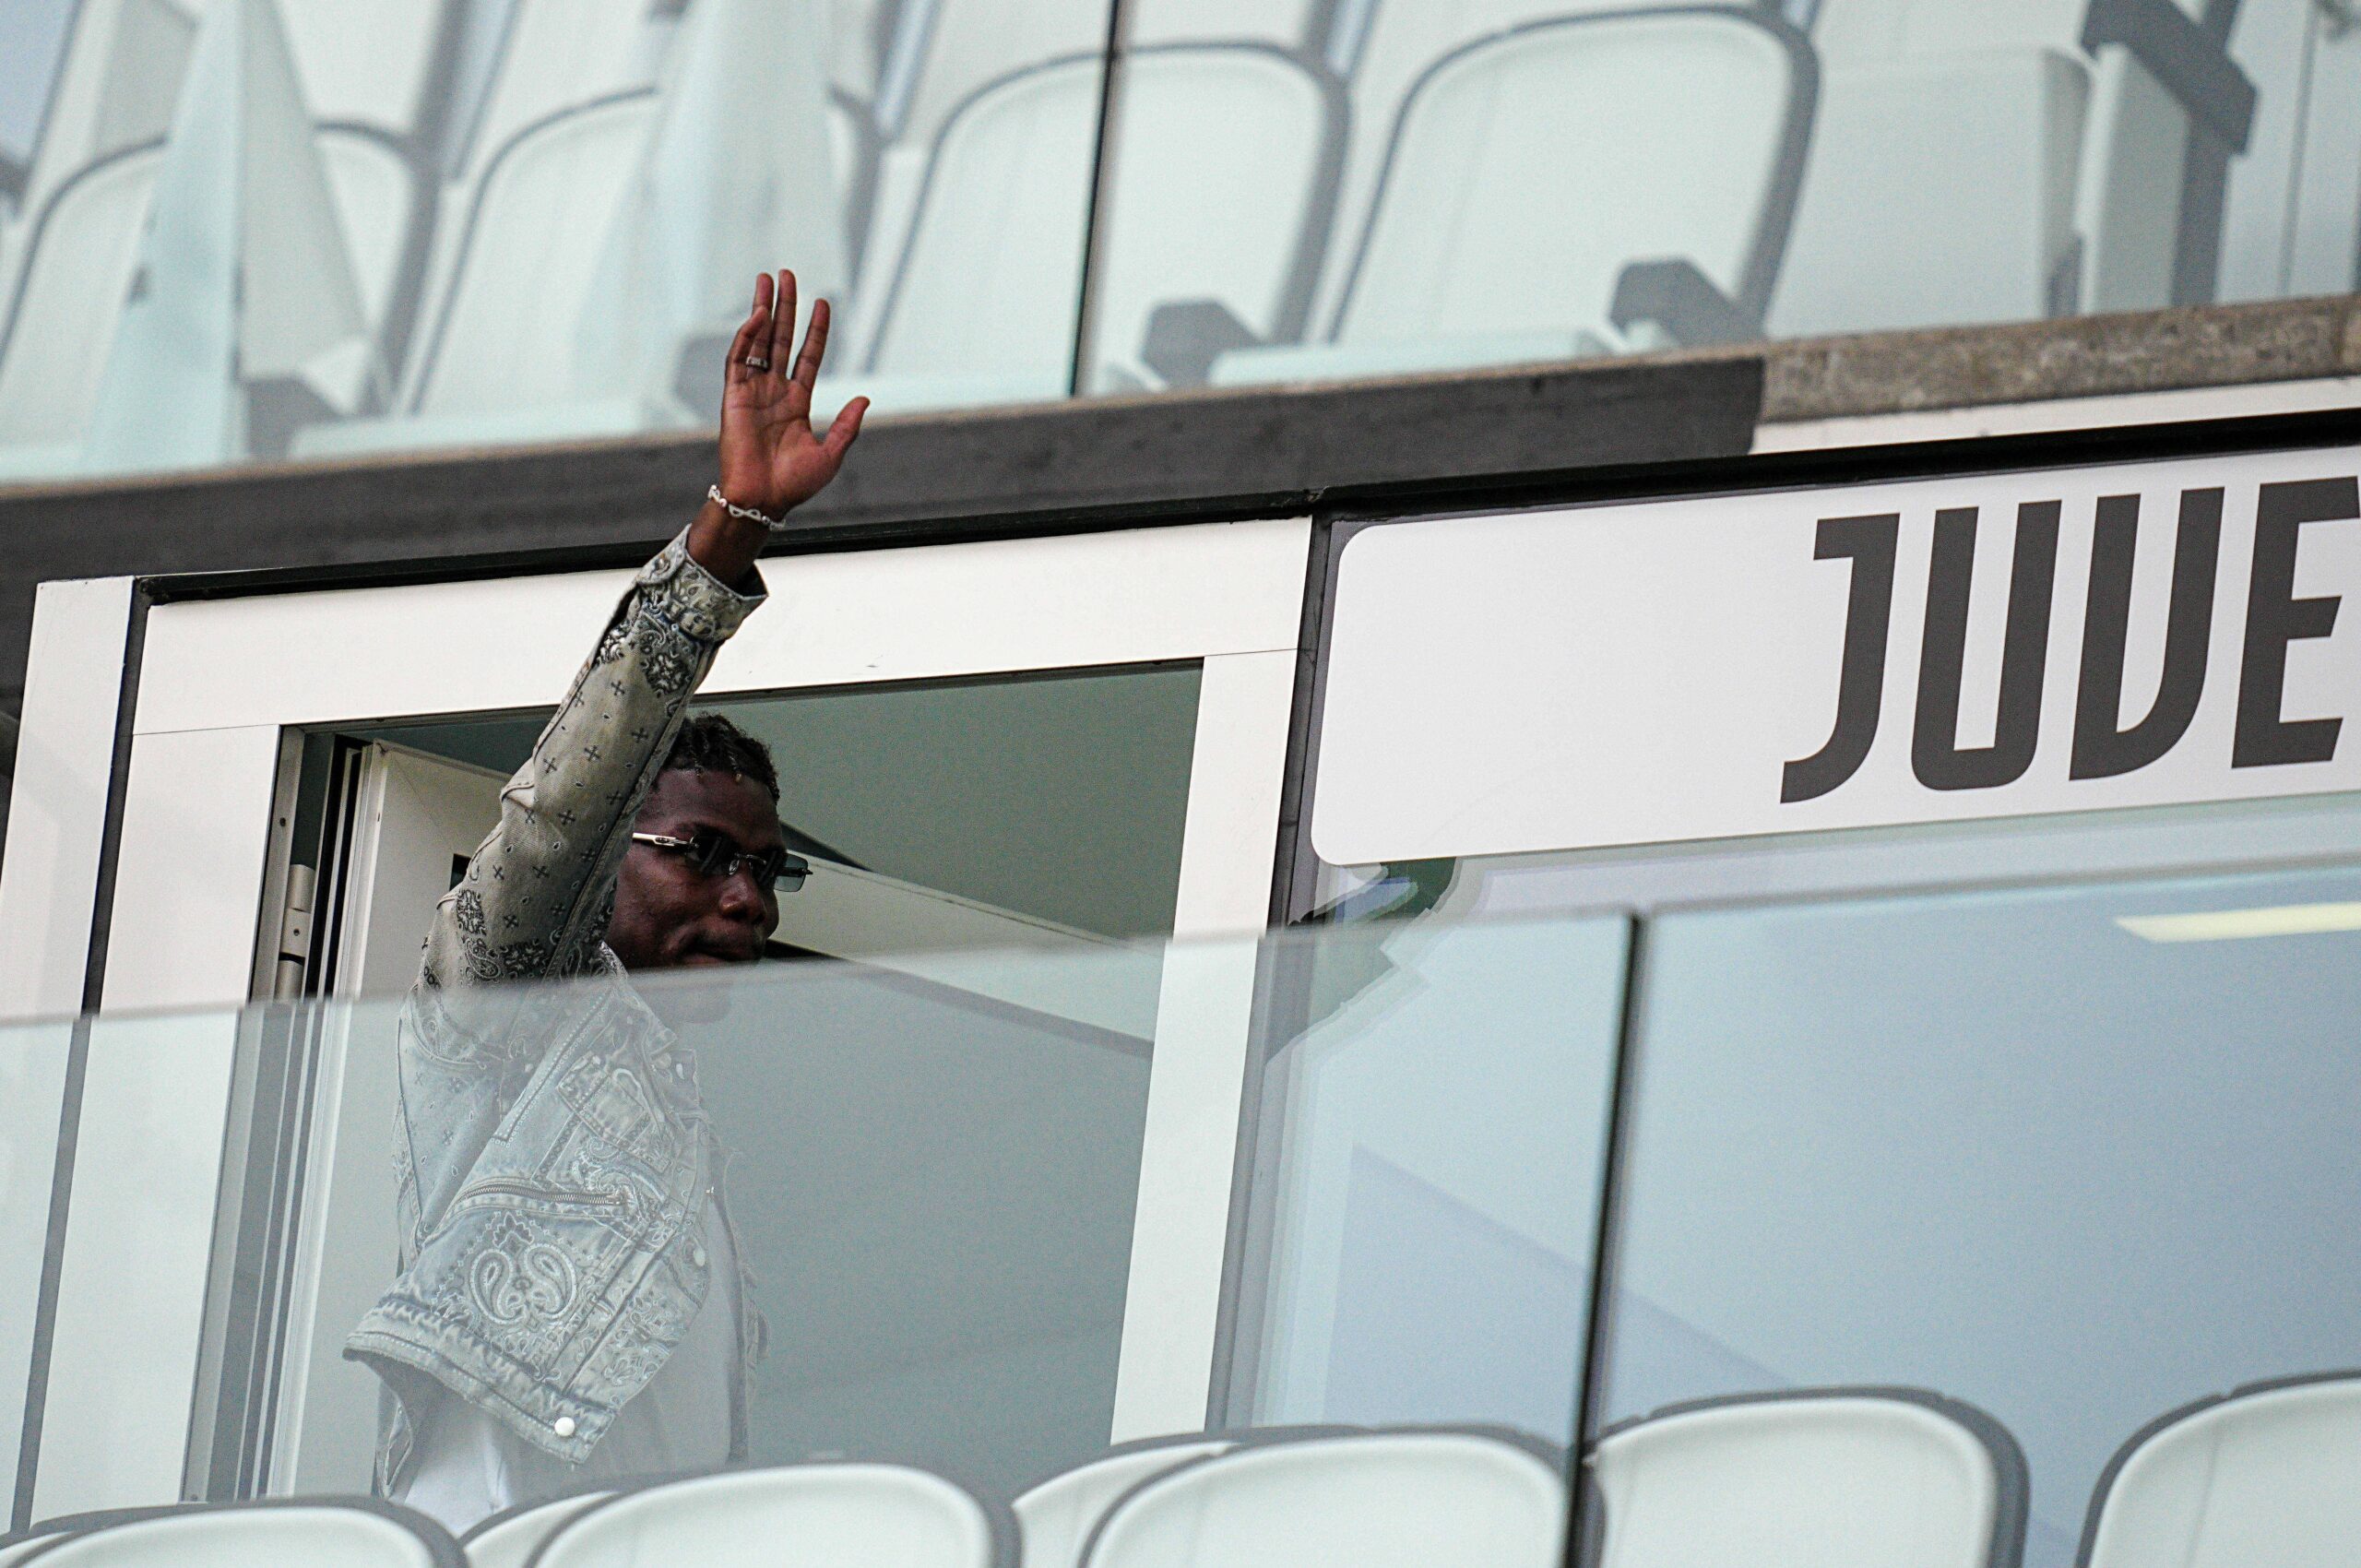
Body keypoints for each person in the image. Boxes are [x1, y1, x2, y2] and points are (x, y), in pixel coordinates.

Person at [344, 269, 868, 1533]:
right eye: (702, 854)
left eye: (767, 871)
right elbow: (563, 813)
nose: (748, 902)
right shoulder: (505, 1018)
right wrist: (729, 531)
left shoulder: (683, 1123)